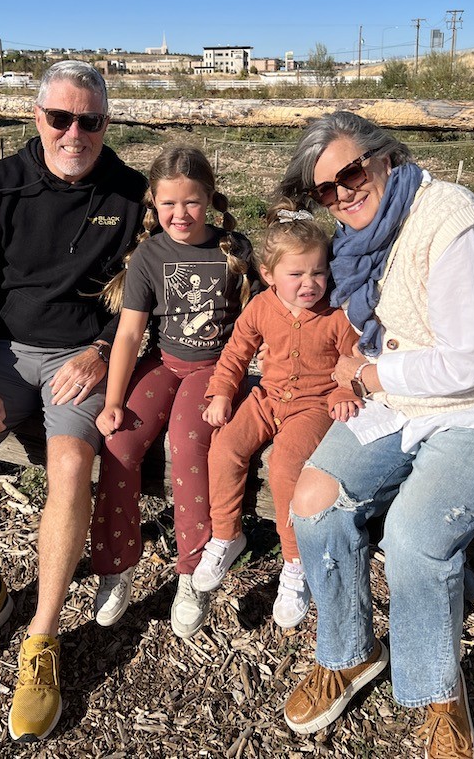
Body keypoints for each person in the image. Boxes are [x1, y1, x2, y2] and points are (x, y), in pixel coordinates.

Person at [275, 112, 474, 759]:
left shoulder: (453, 223)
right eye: (325, 188)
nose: (341, 193)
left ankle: (438, 692)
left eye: (349, 172)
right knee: (313, 496)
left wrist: (369, 370)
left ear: (382, 156)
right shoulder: (364, 239)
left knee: (413, 536)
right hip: (405, 401)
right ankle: (350, 652)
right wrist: (361, 373)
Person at [0, 61, 146, 743]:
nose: (74, 132)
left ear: (106, 124)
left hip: (82, 359)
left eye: (91, 120)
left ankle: (42, 638)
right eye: (61, 117)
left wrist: (105, 348)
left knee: (71, 468)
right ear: (36, 116)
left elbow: (154, 288)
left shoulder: (131, 192)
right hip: (5, 351)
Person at [91, 145, 256, 639]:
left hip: (215, 369)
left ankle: (192, 573)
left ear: (209, 199)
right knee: (120, 442)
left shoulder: (233, 249)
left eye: (191, 203)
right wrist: (115, 400)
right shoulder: (149, 254)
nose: (179, 215)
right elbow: (128, 334)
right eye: (167, 204)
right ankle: (116, 563)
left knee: (187, 443)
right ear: (153, 203)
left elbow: (266, 316)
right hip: (163, 362)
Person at [192, 201, 362, 628]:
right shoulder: (262, 307)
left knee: (287, 465)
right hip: (267, 397)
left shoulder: (338, 314)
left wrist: (345, 388)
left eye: (318, 273)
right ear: (268, 275)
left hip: (314, 405)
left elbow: (354, 358)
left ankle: (294, 562)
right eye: (297, 274)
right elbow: (235, 353)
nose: (310, 284)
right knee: (226, 445)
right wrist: (221, 395)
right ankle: (227, 534)